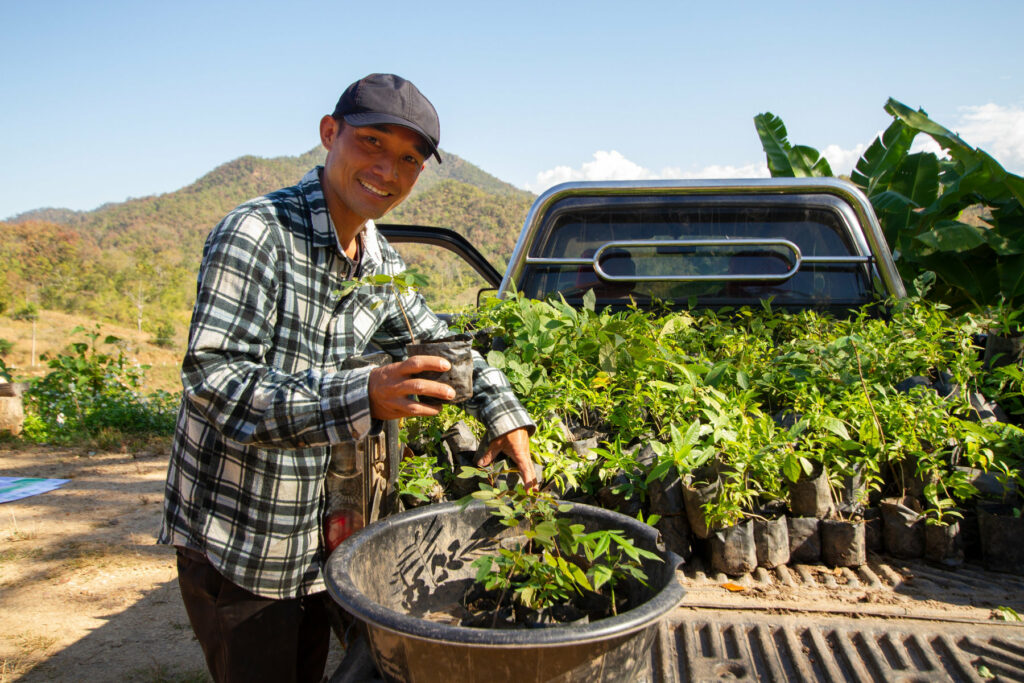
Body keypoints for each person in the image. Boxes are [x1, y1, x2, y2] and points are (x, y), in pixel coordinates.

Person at [159, 73, 536, 683]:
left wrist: (504, 412)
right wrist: (362, 394)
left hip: (319, 529)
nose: (388, 170)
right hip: (244, 536)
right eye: (372, 144)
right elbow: (214, 380)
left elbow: (437, 340)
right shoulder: (257, 235)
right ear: (330, 134)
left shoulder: (379, 256)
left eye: (409, 159)